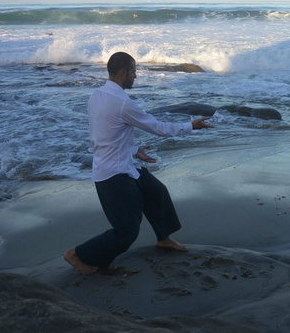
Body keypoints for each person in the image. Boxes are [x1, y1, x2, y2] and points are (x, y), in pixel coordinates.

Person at [64, 52, 213, 275]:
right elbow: (158, 128)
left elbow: (103, 136)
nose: (135, 77)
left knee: (156, 192)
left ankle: (163, 239)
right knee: (127, 232)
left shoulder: (96, 96)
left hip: (123, 165)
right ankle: (78, 255)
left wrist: (133, 150)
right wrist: (190, 126)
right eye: (133, 72)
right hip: (113, 175)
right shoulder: (122, 103)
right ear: (123, 72)